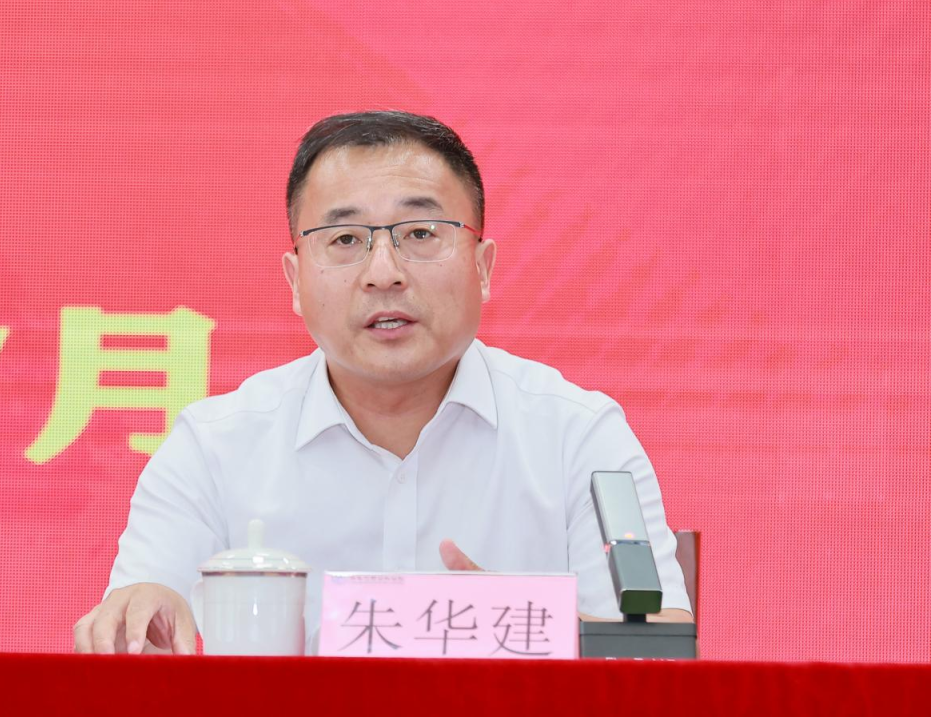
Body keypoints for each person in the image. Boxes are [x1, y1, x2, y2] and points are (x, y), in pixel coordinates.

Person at [73, 110, 693, 655]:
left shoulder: (577, 437)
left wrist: (518, 629)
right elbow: (134, 635)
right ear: (294, 280)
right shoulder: (213, 447)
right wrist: (137, 620)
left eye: (420, 233)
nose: (383, 272)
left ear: (482, 268)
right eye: (345, 239)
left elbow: (658, 658)